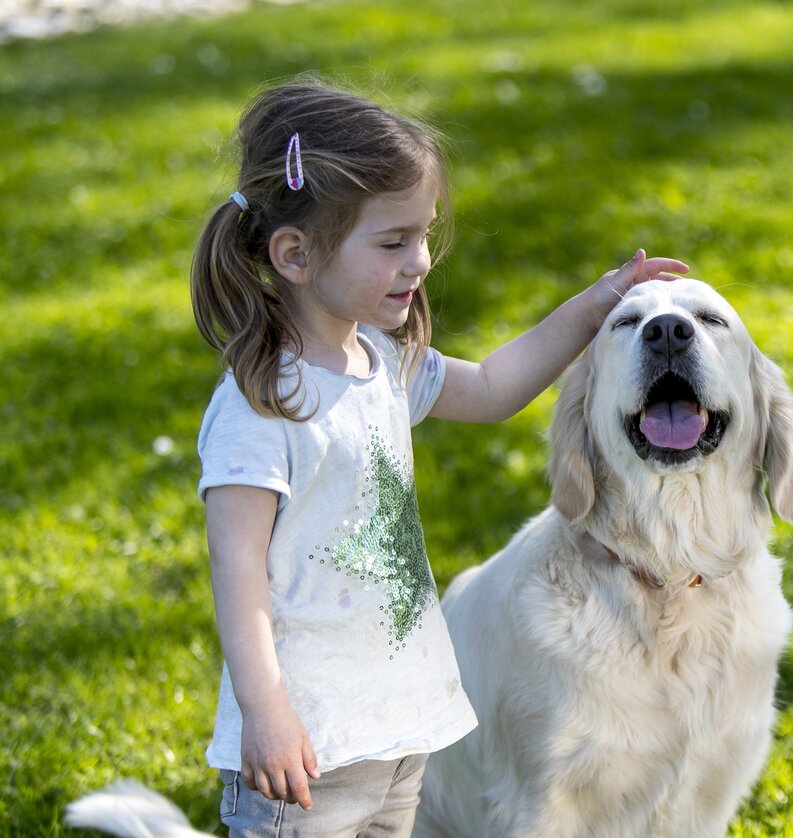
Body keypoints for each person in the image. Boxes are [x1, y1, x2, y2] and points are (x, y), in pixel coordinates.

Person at [191, 78, 687, 836]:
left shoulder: (382, 362)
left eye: (422, 234)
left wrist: (592, 307)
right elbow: (238, 571)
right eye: (392, 242)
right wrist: (266, 714)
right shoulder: (263, 405)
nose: (420, 261)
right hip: (308, 745)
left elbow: (491, 387)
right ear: (294, 253)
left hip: (399, 725)